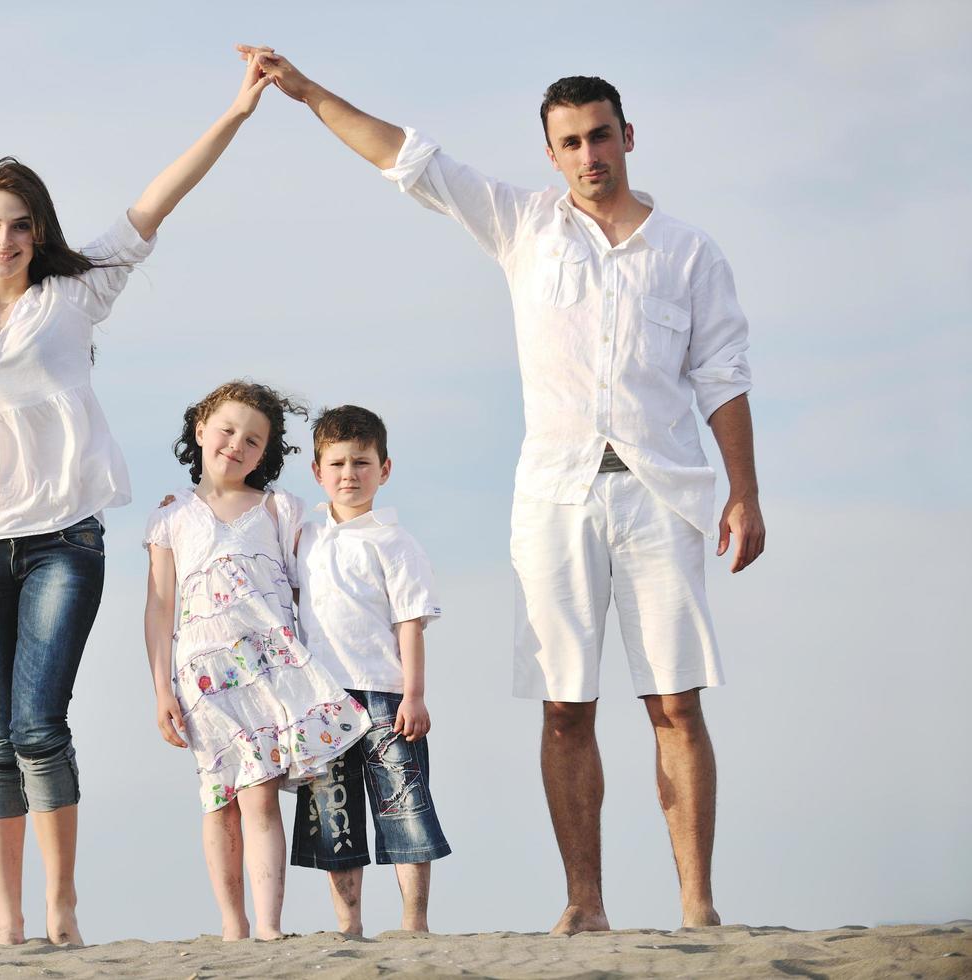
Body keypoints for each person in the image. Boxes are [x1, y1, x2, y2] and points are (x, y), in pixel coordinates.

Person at [238, 45, 766, 934]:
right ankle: (585, 902)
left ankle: (697, 905)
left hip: (661, 495)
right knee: (567, 707)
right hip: (554, 498)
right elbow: (409, 159)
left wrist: (743, 493)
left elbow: (724, 376)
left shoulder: (689, 252)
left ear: (628, 136)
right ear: (551, 153)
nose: (589, 154)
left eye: (601, 136)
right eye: (570, 142)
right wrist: (305, 91)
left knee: (676, 702)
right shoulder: (523, 224)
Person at [0, 58, 275, 946]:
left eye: (21, 225)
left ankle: (62, 906)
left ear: (39, 232)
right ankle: (8, 922)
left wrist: (235, 111)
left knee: (39, 723)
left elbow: (157, 201)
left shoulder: (74, 296)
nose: (6, 239)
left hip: (64, 543)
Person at [143, 381, 372, 941]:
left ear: (266, 452)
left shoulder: (280, 508)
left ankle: (268, 925)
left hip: (273, 673)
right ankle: (232, 924)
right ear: (200, 430)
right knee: (219, 797)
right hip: (204, 679)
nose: (236, 445)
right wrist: (161, 689)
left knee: (261, 792)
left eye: (254, 439)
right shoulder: (170, 517)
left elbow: (312, 590)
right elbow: (158, 609)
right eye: (227, 430)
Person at [289, 405, 449, 935]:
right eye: (336, 464)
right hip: (322, 700)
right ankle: (348, 926)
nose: (348, 475)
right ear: (318, 471)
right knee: (333, 817)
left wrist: (415, 695)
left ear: (384, 468)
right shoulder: (304, 539)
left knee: (403, 805)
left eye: (361, 462)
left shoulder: (395, 543)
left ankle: (413, 922)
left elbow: (411, 624)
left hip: (385, 695)